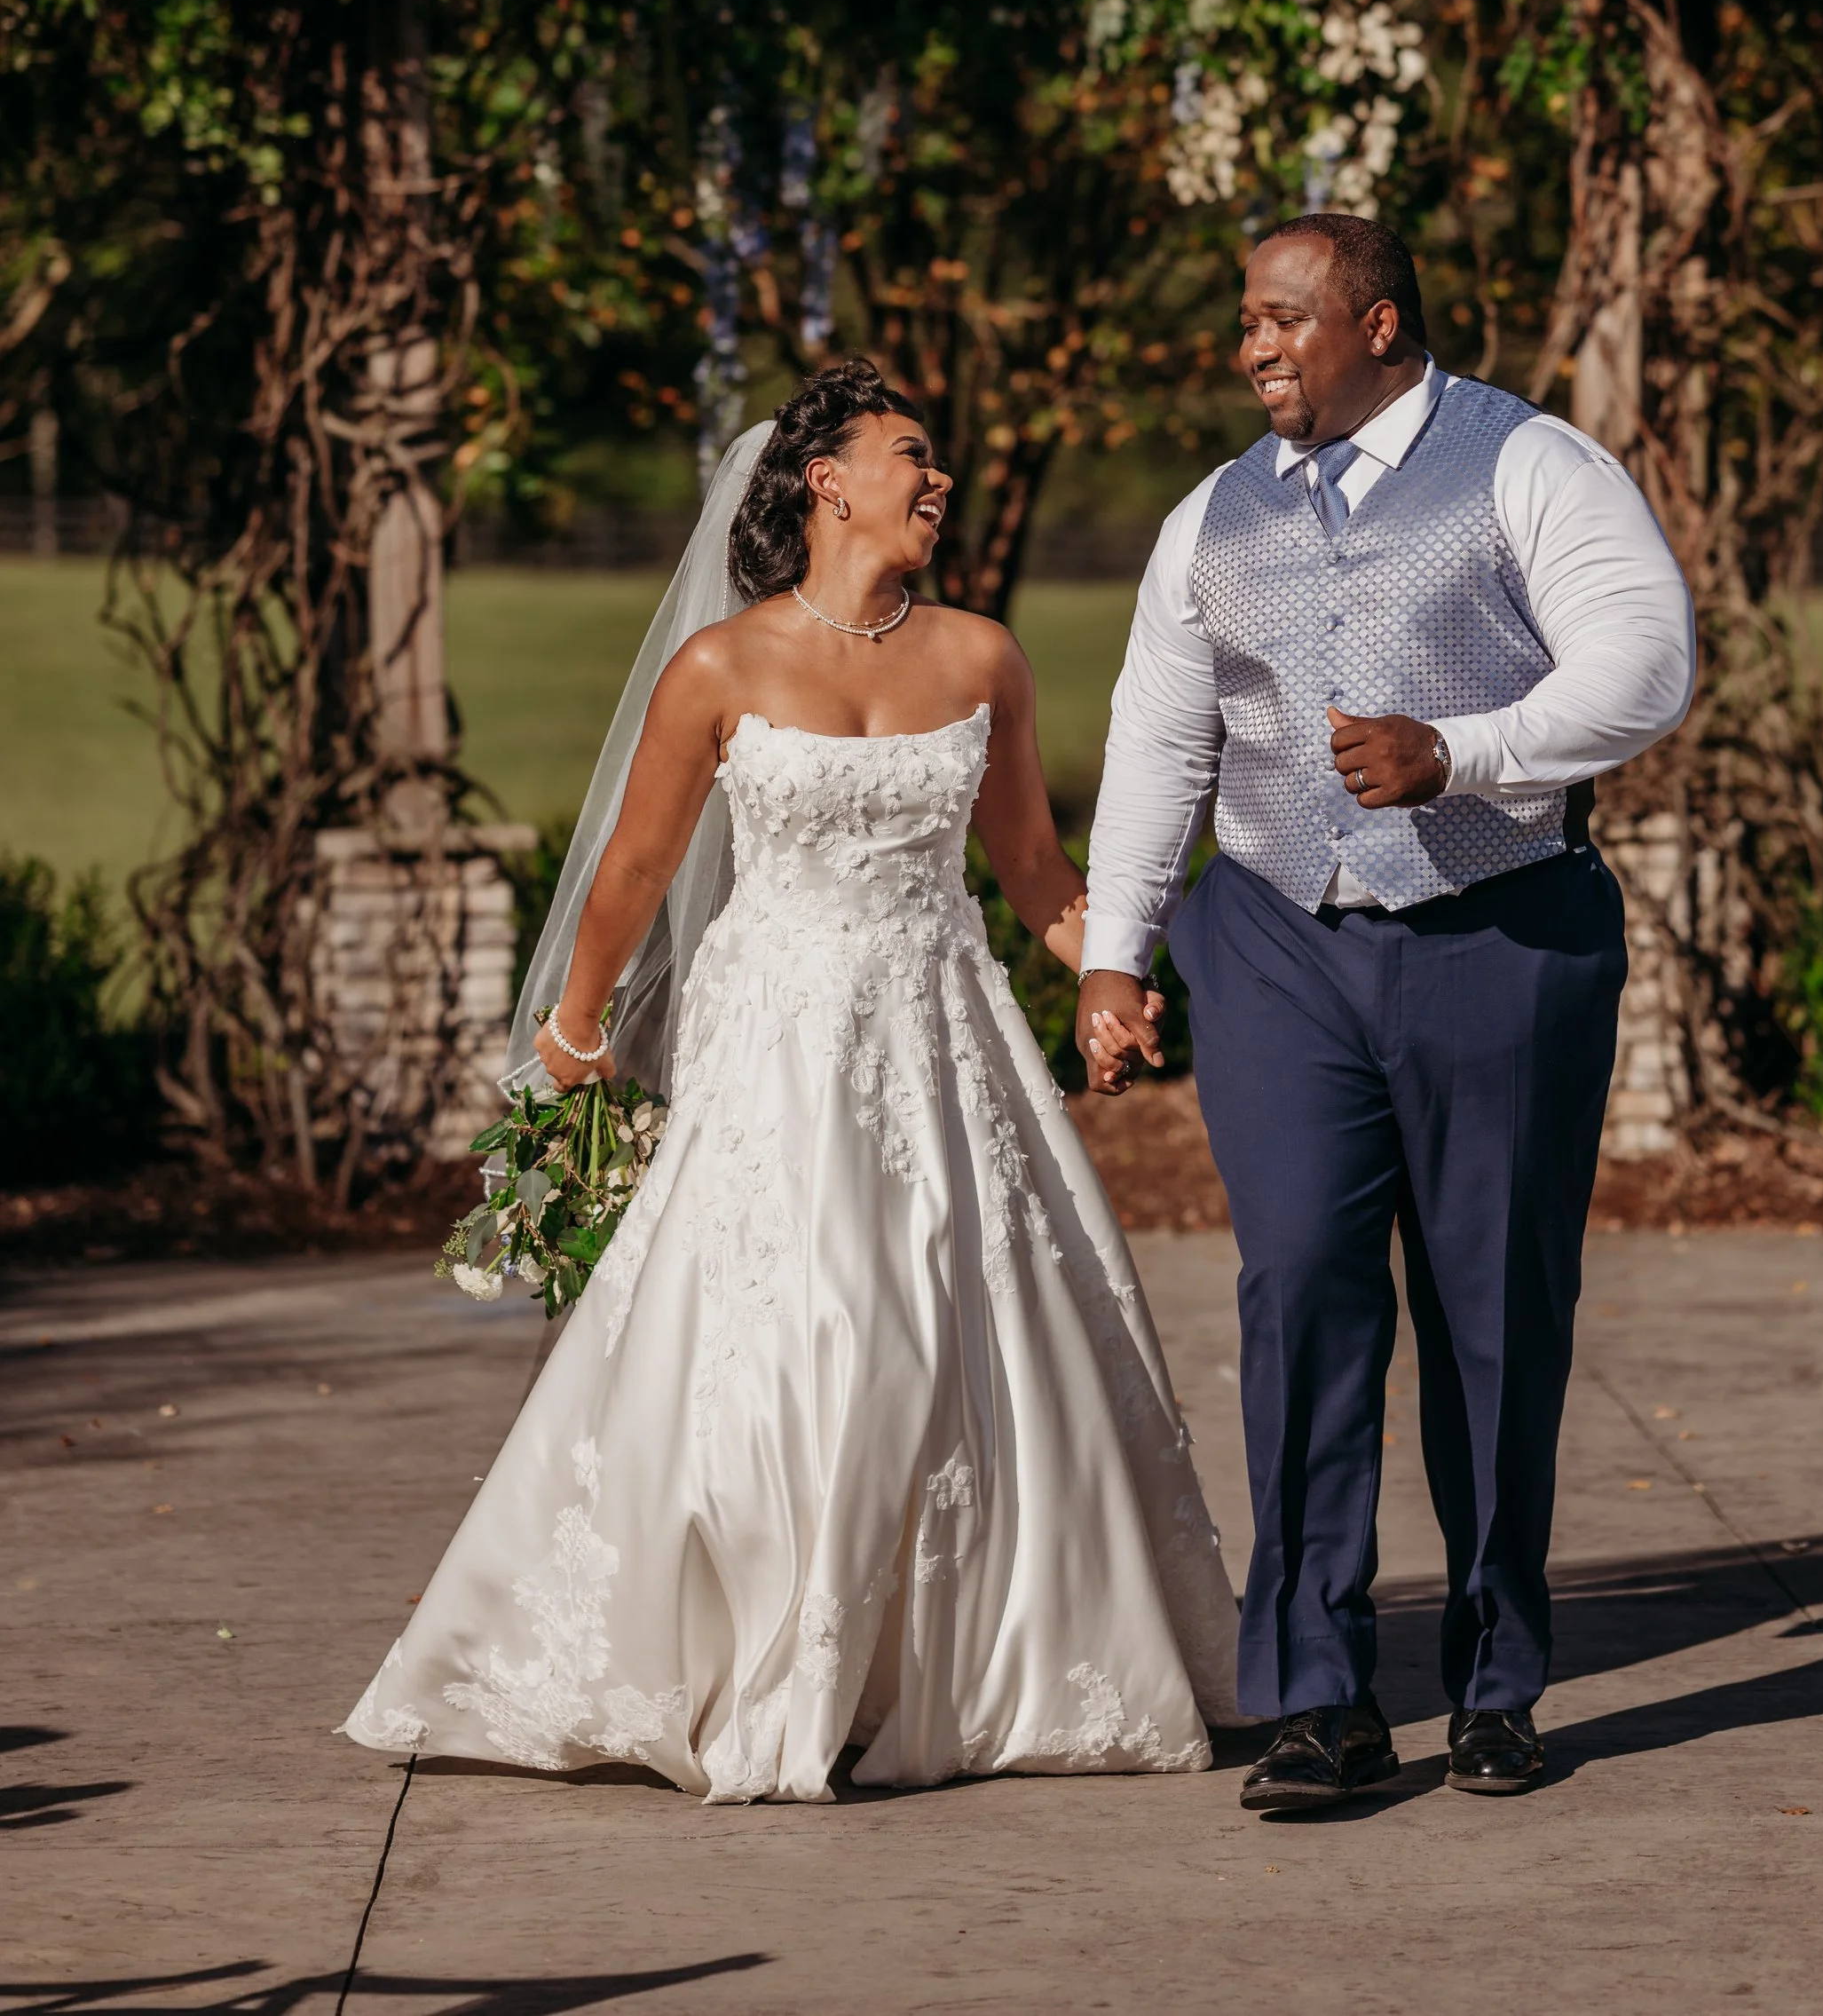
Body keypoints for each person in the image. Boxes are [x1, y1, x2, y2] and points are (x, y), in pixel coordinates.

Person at [344, 360, 1237, 1802]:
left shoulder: (981, 657)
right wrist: (573, 1039)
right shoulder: (723, 666)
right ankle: (756, 1647)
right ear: (825, 479)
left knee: (968, 1323)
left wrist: (1107, 977)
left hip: (945, 1039)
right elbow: (634, 869)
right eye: (910, 453)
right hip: (775, 1045)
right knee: (792, 1328)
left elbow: (1029, 868)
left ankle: (961, 1654)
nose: (936, 479)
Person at [1077, 213, 1695, 1816]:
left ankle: (1495, 1680)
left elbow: (1647, 662)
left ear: (1379, 320)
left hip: (1499, 930)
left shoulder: (1532, 465)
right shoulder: (1213, 514)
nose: (1253, 348)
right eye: (1242, 324)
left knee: (1496, 1310)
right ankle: (1319, 1694)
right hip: (1277, 936)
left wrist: (1468, 749)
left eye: (1282, 320)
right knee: (1298, 1297)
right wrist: (1119, 949)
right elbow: (1159, 732)